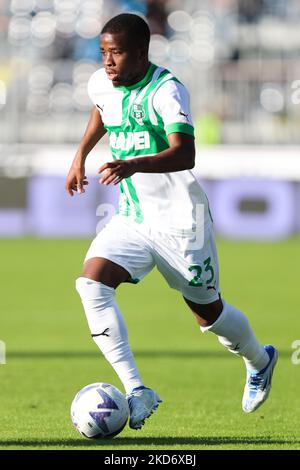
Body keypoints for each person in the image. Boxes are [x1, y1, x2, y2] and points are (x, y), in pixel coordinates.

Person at [65, 13, 278, 430]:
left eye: (117, 52)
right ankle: (137, 389)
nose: (108, 61)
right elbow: (100, 110)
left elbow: (185, 154)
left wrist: (134, 164)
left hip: (183, 222)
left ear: (142, 52)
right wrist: (80, 158)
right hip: (134, 217)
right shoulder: (101, 82)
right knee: (91, 284)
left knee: (209, 315)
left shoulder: (167, 91)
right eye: (104, 52)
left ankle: (259, 359)